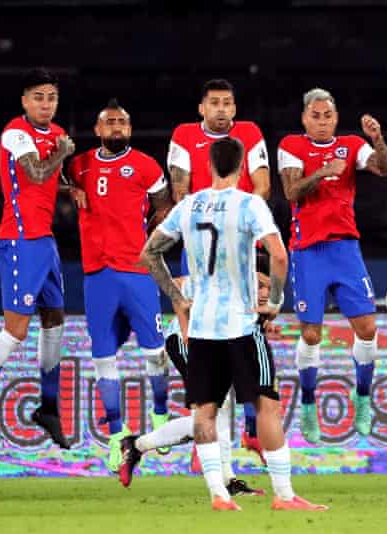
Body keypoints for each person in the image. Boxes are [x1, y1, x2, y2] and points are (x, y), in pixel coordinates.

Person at [140, 137, 326, 512]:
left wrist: (177, 299)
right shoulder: (250, 204)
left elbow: (149, 252)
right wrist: (273, 302)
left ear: (208, 164)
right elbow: (278, 255)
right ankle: (285, 496)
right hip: (241, 325)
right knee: (267, 407)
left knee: (205, 412)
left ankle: (219, 496)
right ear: (242, 167)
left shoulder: (189, 205)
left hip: (203, 330)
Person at [0, 68, 75, 449]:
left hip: (44, 240)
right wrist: (62, 152)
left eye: (52, 98)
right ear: (25, 101)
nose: (46, 104)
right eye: (38, 97)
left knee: (55, 321)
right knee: (17, 330)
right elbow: (38, 173)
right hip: (19, 240)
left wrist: (76, 188)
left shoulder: (55, 134)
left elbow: (53, 180)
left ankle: (48, 407)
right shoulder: (15, 133)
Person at [277, 88, 387, 443]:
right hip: (307, 250)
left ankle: (362, 398)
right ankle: (309, 405)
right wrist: (324, 171)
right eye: (316, 115)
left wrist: (378, 139)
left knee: (368, 327)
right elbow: (292, 193)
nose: (323, 121)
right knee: (312, 334)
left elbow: (385, 169)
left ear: (336, 117)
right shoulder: (291, 146)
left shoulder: (351, 144)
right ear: (304, 118)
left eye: (328, 115)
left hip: (345, 248)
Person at [117, 253, 281, 498]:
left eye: (268, 287)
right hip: (187, 342)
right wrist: (187, 323)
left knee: (216, 413)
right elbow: (178, 284)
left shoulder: (251, 303)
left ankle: (137, 445)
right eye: (259, 285)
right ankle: (226, 481)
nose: (265, 292)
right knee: (215, 408)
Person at [66, 99, 174, 471]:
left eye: (122, 122)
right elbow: (59, 180)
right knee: (103, 359)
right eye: (109, 122)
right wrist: (69, 189)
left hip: (137, 271)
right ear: (97, 129)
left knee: (154, 354)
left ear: (130, 129)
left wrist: (153, 234)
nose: (116, 127)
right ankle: (116, 434)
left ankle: (160, 415)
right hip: (98, 275)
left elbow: (164, 203)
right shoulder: (78, 165)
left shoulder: (145, 165)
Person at [167, 78, 270, 457]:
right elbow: (179, 192)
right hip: (199, 249)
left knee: (250, 333)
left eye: (228, 102)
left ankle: (247, 430)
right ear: (202, 108)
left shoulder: (250, 132)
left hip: (242, 246)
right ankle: (205, 431)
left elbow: (262, 186)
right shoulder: (183, 135)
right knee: (201, 336)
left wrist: (232, 216)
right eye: (215, 103)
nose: (222, 109)